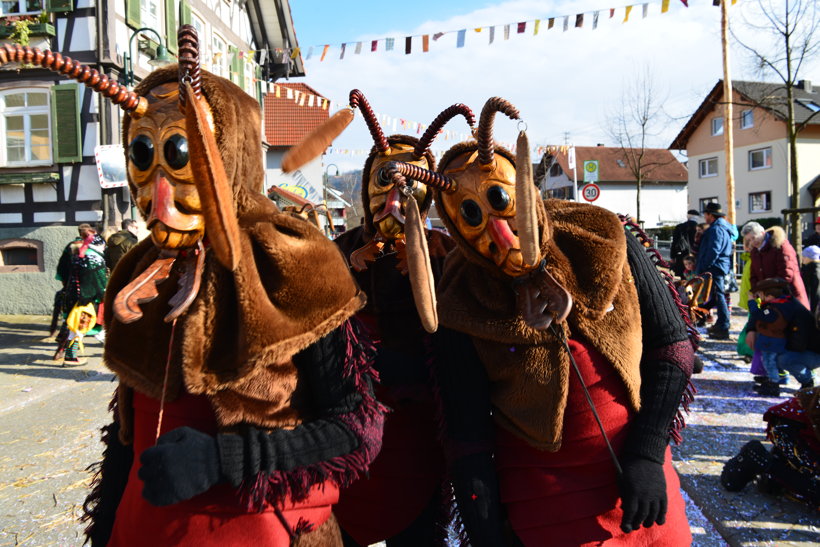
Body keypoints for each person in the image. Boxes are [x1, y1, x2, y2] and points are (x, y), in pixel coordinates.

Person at [76, 38, 383, 546]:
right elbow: (125, 439)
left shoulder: (293, 261)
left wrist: (228, 460)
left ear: (229, 153)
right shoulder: (139, 275)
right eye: (142, 153)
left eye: (181, 154)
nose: (160, 193)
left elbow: (359, 428)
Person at [400, 97, 695, 546]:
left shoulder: (602, 234)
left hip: (637, 481)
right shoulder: (459, 297)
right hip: (543, 499)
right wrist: (485, 532)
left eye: (500, 198)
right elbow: (468, 433)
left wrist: (648, 454)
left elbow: (672, 347)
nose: (499, 231)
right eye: (472, 217)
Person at [331, 92, 467, 546]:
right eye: (382, 182)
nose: (392, 198)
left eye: (406, 184)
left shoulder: (446, 253)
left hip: (419, 433)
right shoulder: (339, 250)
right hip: (348, 428)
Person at [721, 387, 819, 508]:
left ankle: (779, 472)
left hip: (808, 429)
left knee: (781, 485)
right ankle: (758, 458)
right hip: (791, 426)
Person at [54, 223, 107, 364]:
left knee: (82, 328)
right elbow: (98, 280)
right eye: (103, 246)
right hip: (87, 299)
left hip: (76, 296)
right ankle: (71, 356)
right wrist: (105, 293)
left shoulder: (83, 253)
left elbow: (64, 270)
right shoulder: (93, 257)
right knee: (84, 328)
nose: (105, 248)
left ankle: (70, 355)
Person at [747, 279, 803, 396]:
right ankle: (771, 381)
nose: (762, 299)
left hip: (772, 342)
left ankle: (773, 384)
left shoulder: (773, 309)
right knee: (771, 362)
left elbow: (759, 315)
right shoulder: (779, 305)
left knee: (769, 362)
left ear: (771, 296)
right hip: (772, 341)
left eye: (764, 296)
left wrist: (752, 302)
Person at [744, 222, 809, 309]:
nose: (752, 242)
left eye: (753, 238)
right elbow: (753, 275)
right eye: (749, 240)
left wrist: (766, 290)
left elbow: (786, 275)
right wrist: (757, 290)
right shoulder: (755, 252)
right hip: (768, 298)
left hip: (788, 296)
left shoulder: (781, 246)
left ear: (762, 233)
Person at [696, 202, 736, 340]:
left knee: (719, 297)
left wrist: (705, 266)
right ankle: (716, 322)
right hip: (718, 266)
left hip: (715, 268)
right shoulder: (720, 227)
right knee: (716, 297)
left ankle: (723, 325)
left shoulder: (716, 229)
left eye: (706, 214)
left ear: (711, 215)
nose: (705, 217)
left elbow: (714, 250)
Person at [670, 209, 700, 277]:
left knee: (683, 278)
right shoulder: (699, 228)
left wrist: (672, 257)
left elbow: (674, 243)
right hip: (695, 256)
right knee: (695, 279)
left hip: (681, 256)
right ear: (696, 217)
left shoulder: (679, 227)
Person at [800, 245, 820, 316]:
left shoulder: (811, 272)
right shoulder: (814, 269)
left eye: (804, 256)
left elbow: (814, 295)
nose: (802, 258)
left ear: (809, 258)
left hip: (812, 311)